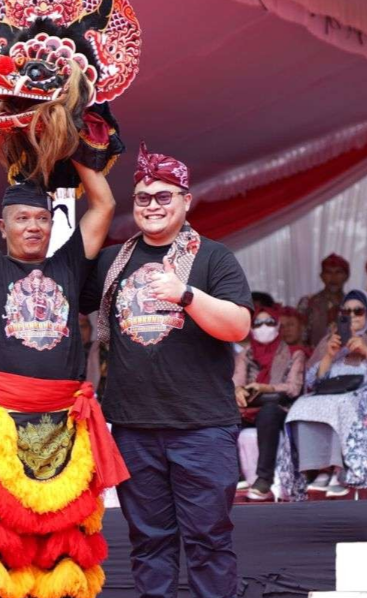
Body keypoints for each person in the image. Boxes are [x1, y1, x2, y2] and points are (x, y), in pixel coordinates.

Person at [0, 119, 121, 597]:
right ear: (4, 226)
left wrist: (74, 143)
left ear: (51, 223)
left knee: (61, 549)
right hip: (3, 419)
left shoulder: (68, 262)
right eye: (22, 218)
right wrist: (0, 130)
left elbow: (104, 204)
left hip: (64, 422)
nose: (33, 226)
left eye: (40, 218)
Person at [83, 144, 251, 598]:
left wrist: (187, 295)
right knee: (148, 543)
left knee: (208, 542)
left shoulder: (214, 258)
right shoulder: (111, 261)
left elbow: (238, 324)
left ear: (185, 201)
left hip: (202, 427)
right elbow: (58, 288)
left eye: (163, 196)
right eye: (143, 198)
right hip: (134, 427)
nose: (152, 206)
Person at [287, 291, 367, 497]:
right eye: (346, 312)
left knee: (341, 404)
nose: (352, 316)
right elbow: (312, 381)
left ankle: (340, 469)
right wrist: (330, 356)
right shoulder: (333, 340)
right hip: (337, 393)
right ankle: (320, 468)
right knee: (302, 406)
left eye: (358, 311)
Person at [233, 306, 305, 501]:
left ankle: (264, 479)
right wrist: (238, 390)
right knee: (225, 413)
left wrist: (268, 388)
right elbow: (237, 381)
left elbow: (293, 388)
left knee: (268, 412)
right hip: (248, 405)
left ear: (278, 326)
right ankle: (234, 474)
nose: (264, 327)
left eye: (269, 322)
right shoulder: (246, 353)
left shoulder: (294, 353)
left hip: (280, 406)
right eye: (258, 323)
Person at [298, 254, 350, 347]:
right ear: (321, 276)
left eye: (338, 272)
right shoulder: (308, 302)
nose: (333, 278)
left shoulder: (353, 305)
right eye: (328, 272)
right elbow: (300, 337)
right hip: (313, 358)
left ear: (346, 276)